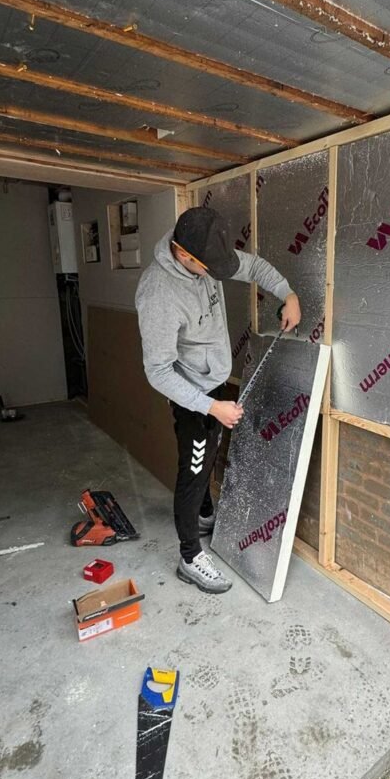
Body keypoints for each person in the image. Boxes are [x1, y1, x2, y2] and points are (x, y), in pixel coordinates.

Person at [135, 206, 301, 594]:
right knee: (193, 471)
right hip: (192, 395)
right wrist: (210, 406)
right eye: (210, 268)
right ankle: (190, 556)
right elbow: (157, 372)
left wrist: (288, 293)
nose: (218, 274)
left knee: (209, 457)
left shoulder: (208, 256)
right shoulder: (158, 293)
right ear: (185, 255)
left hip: (214, 386)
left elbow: (254, 267)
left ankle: (205, 515)